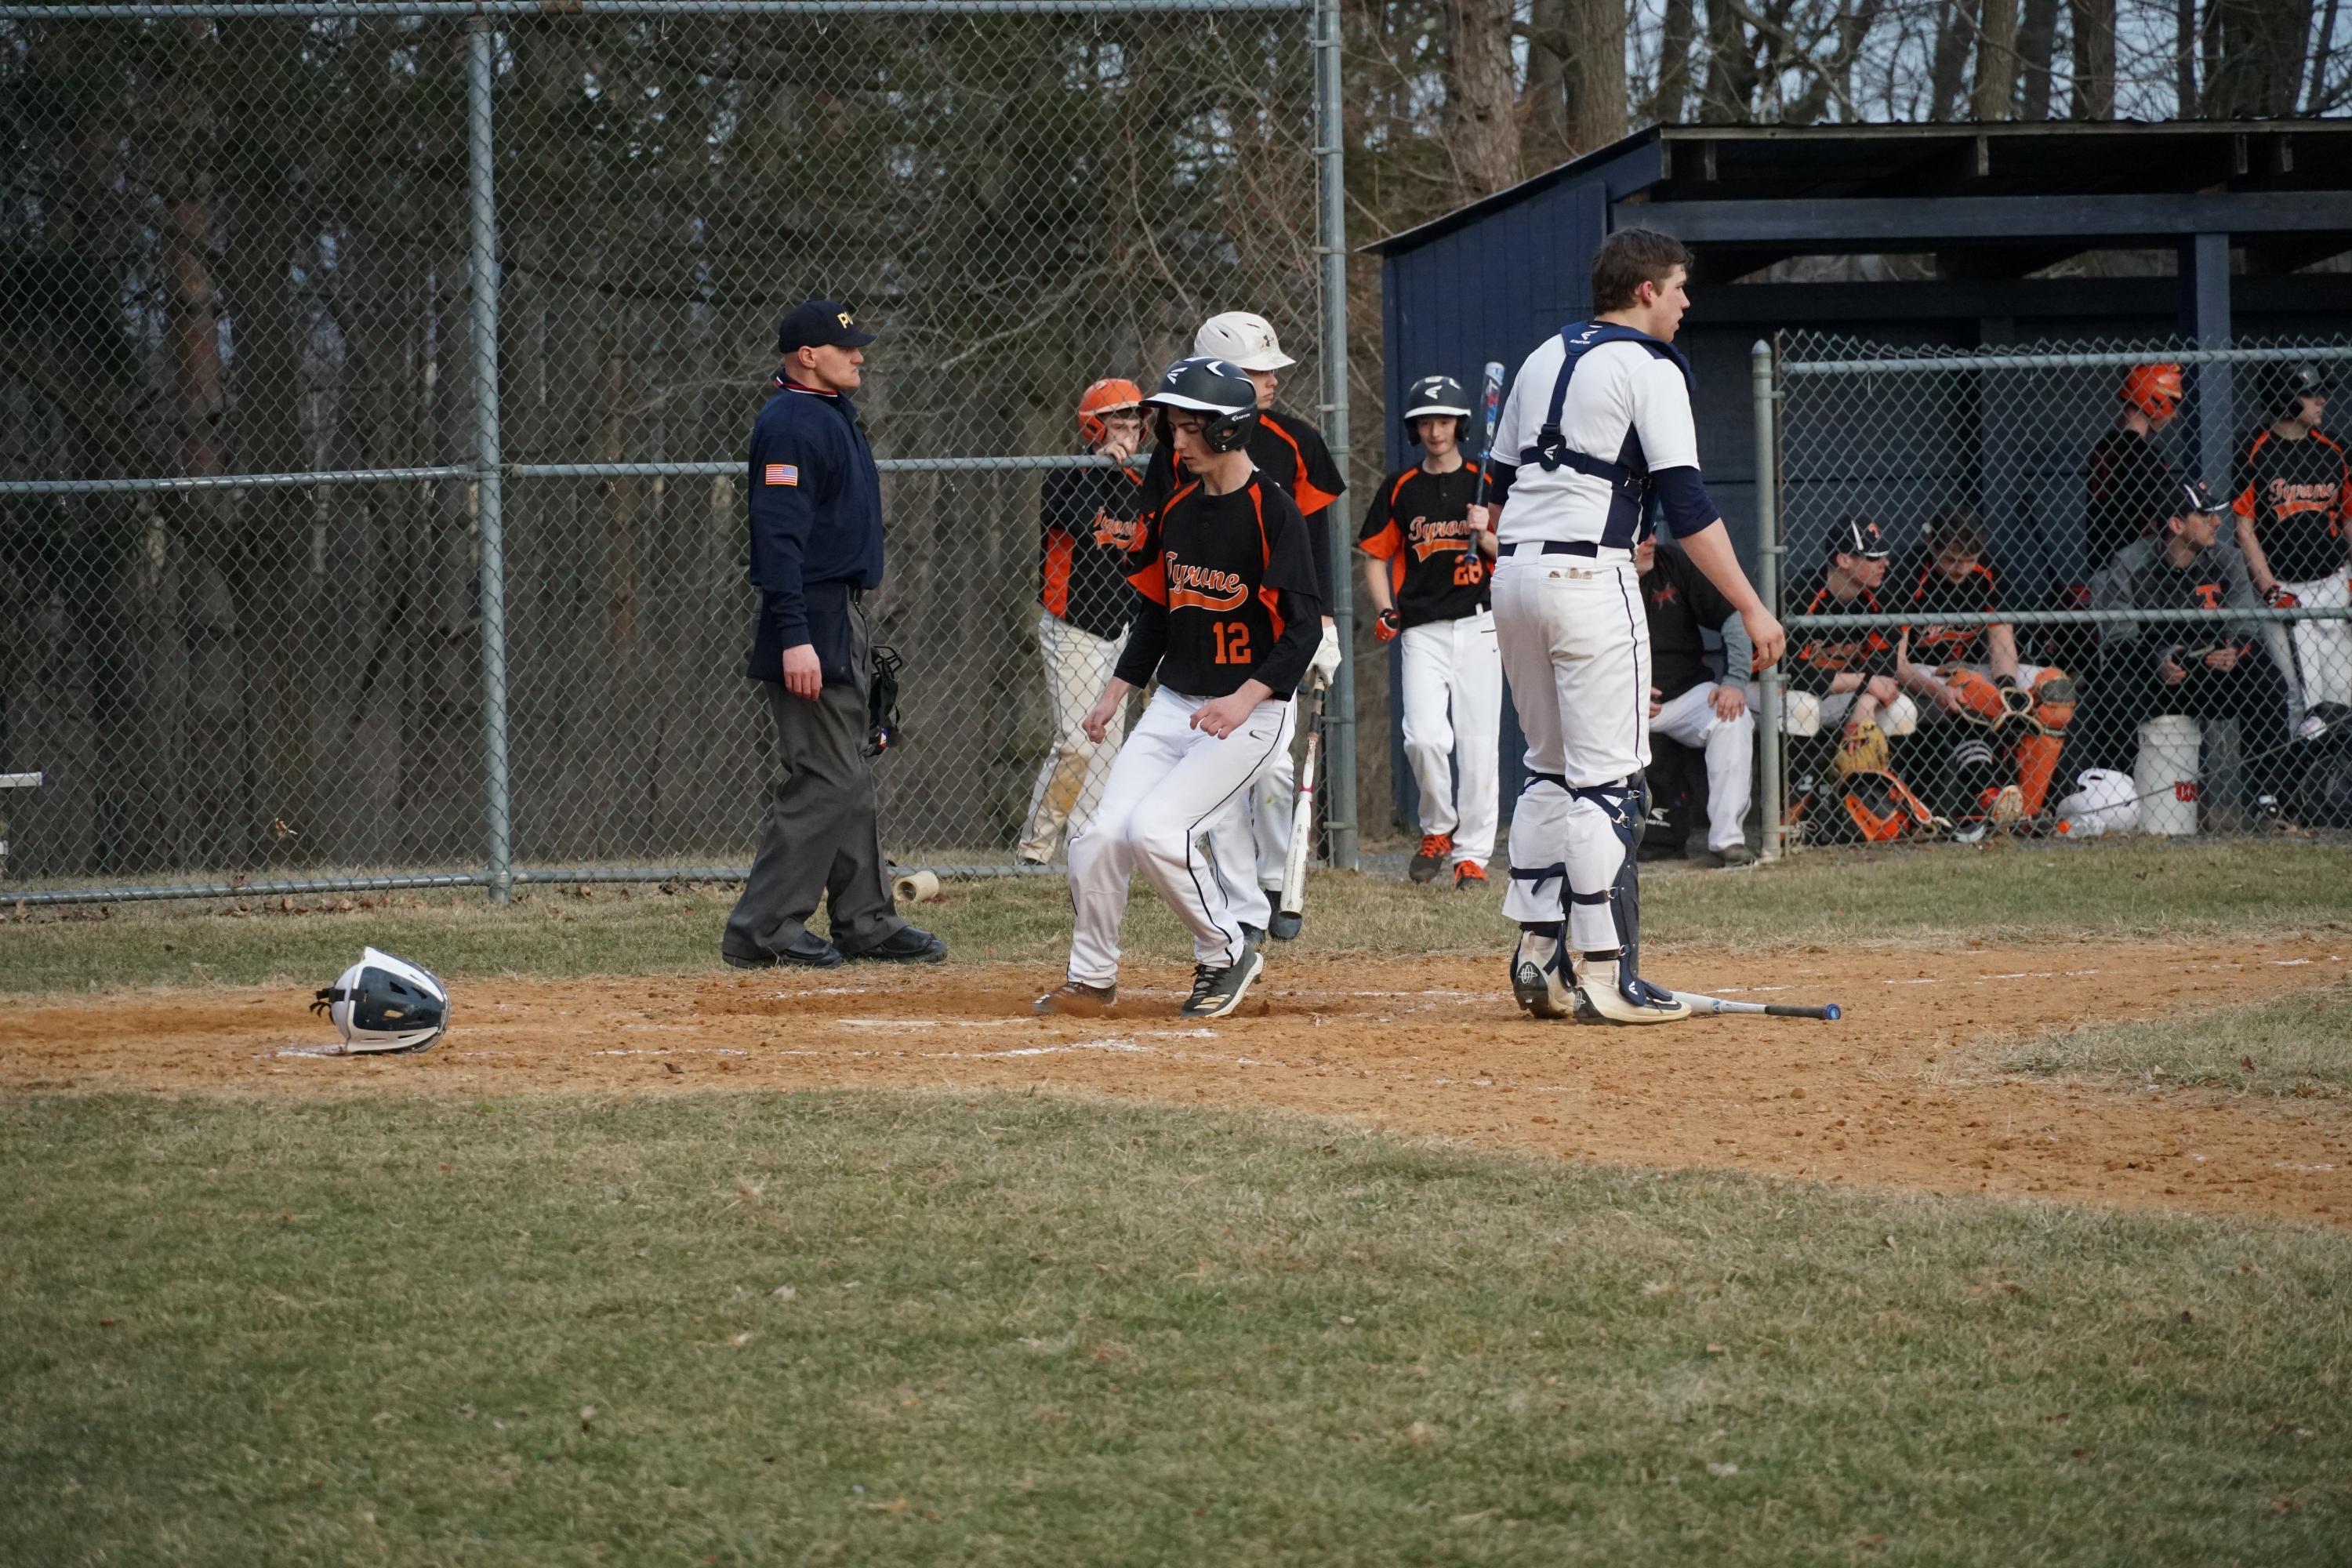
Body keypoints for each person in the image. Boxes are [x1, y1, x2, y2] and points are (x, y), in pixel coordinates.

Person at [1475, 227, 1784, 1026]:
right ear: (1645, 289)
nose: (1686, 303)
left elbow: (1492, 493)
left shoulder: (1542, 355)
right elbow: (1688, 506)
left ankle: (1539, 955)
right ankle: (1611, 974)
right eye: (1679, 287)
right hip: (1590, 573)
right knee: (1607, 780)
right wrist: (1750, 606)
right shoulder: (1649, 366)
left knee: (1547, 767)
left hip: (1513, 575)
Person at [1034, 358, 1324, 1021]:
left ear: (1230, 430)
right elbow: (1159, 614)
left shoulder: (1271, 512)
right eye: (1175, 428)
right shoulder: (1176, 511)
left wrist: (1246, 697)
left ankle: (1227, 952)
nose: (1176, 441)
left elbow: (1302, 631)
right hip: (1176, 704)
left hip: (1254, 710)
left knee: (1159, 833)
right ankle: (1092, 976)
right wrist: (1116, 690)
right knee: (1102, 836)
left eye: (1192, 429)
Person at [724, 300, 945, 970]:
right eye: (845, 348)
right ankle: (763, 929)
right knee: (826, 774)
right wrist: (795, 636)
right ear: (806, 356)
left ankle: (865, 919)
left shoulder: (828, 416)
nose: (860, 356)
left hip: (837, 611)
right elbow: (778, 538)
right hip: (810, 614)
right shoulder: (791, 423)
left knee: (848, 770)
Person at [1143, 310, 1345, 940]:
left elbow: (1314, 536)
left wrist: (1324, 621)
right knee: (1218, 786)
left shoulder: (1295, 441)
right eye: (1259, 372)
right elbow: (1160, 545)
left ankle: (1277, 879)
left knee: (1275, 772)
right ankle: (1243, 906)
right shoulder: (1177, 447)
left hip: (1277, 627)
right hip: (1207, 631)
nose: (1272, 382)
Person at [1357, 374, 1501, 888]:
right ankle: (1438, 828)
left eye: (1443, 420)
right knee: (1423, 739)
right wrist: (1384, 607)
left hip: (1479, 623)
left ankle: (1473, 856)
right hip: (1422, 628)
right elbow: (1375, 555)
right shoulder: (1401, 487)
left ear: (1460, 424)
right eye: (1425, 422)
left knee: (1479, 743)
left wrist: (1484, 535)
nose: (1435, 430)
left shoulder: (1484, 485)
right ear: (1414, 429)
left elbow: (1512, 557)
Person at [2089, 478, 2296, 811]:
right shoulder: (2131, 562)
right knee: (2113, 690)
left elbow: (2245, 627)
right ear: (2176, 524)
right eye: (2205, 515)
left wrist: (2235, 651)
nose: (2217, 522)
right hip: (2155, 674)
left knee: (2268, 680)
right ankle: (2116, 799)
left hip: (2215, 670)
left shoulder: (2227, 560)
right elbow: (2117, 639)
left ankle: (2268, 798)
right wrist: (2157, 660)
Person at [1017, 378, 1147, 866]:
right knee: (1076, 743)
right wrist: (1102, 467)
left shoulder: (1140, 482)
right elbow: (1073, 519)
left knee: (1107, 747)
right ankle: (1034, 849)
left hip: (1121, 627)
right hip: (1073, 626)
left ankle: (1086, 848)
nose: (1129, 435)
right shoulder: (1068, 475)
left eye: (1136, 426)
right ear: (1094, 426)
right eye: (1118, 424)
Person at [1891, 510, 2077, 835]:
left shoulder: (1991, 567)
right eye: (1950, 559)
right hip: (1922, 673)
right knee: (1967, 686)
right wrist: (1938, 691)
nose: (1961, 567)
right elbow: (1898, 664)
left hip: (1978, 670)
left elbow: (2001, 635)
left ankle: (2026, 812)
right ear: (1931, 545)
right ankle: (1988, 794)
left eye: (1968, 558)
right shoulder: (1908, 573)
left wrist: (2006, 687)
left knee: (2055, 691)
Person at [2231, 364, 2351, 725]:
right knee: (2302, 699)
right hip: (2285, 588)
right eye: (2310, 394)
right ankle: (2307, 780)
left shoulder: (2335, 449)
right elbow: (2244, 526)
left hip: (2334, 584)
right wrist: (2268, 587)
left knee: (2344, 691)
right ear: (2286, 400)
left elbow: (2348, 518)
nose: (2321, 400)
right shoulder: (2253, 449)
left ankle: (2340, 778)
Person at [1635, 533, 1756, 866]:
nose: (1651, 541)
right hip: (1617, 701)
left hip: (1684, 696)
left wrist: (1734, 681)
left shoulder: (1671, 562)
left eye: (1650, 533)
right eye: (1640, 537)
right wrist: (1619, 690)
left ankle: (1727, 841)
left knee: (1732, 718)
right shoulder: (1593, 576)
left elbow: (1733, 616)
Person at [1787, 517, 1912, 737]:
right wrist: (1864, 682)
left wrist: (1865, 704)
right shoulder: (1799, 593)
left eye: (1883, 555)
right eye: (1874, 558)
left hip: (1841, 691)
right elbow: (1792, 673)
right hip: (1776, 692)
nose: (1885, 563)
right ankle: (1801, 773)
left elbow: (1885, 666)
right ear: (1844, 560)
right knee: (1802, 707)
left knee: (1901, 709)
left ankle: (1876, 772)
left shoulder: (1882, 593)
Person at [2083, 363, 2181, 574]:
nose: (2174, 416)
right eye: (2172, 403)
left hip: (2104, 562)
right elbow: (2161, 517)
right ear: (2154, 398)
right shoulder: (2143, 455)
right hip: (2136, 567)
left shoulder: (2104, 446)